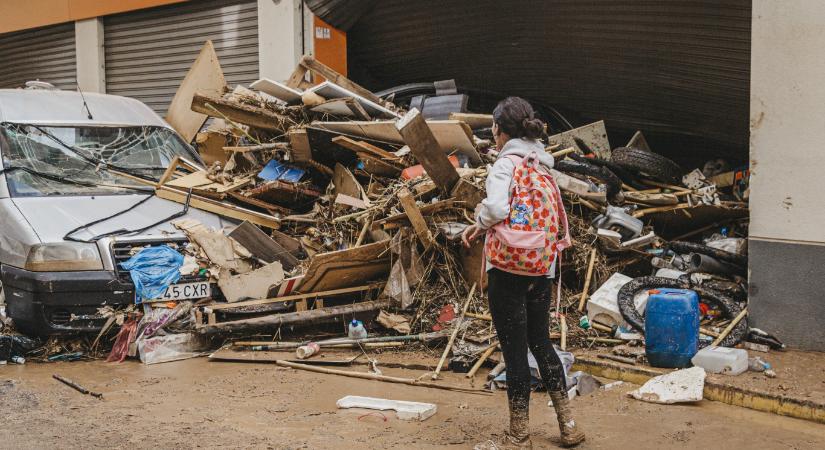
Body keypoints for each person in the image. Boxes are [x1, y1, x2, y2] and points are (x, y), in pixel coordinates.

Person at [463, 97, 585, 448]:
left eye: (494, 128)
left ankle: (518, 435)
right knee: (542, 343)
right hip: (541, 266)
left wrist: (480, 217)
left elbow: (499, 207)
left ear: (500, 131)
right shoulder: (542, 164)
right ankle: (568, 425)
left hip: (508, 268)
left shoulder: (504, 165)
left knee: (514, 352)